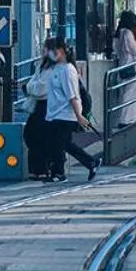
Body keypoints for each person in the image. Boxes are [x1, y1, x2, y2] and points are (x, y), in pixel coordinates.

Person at [39, 38, 100, 183]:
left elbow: (72, 94)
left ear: (60, 51)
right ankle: (90, 163)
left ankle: (59, 173)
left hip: (66, 114)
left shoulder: (67, 70)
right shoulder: (56, 68)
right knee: (64, 144)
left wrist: (79, 115)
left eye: (52, 50)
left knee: (59, 144)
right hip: (55, 113)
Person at [111, 11, 136, 126]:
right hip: (130, 66)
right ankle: (127, 119)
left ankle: (124, 119)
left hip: (121, 65)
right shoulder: (128, 33)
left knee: (124, 93)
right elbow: (134, 49)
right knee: (130, 94)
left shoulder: (118, 34)